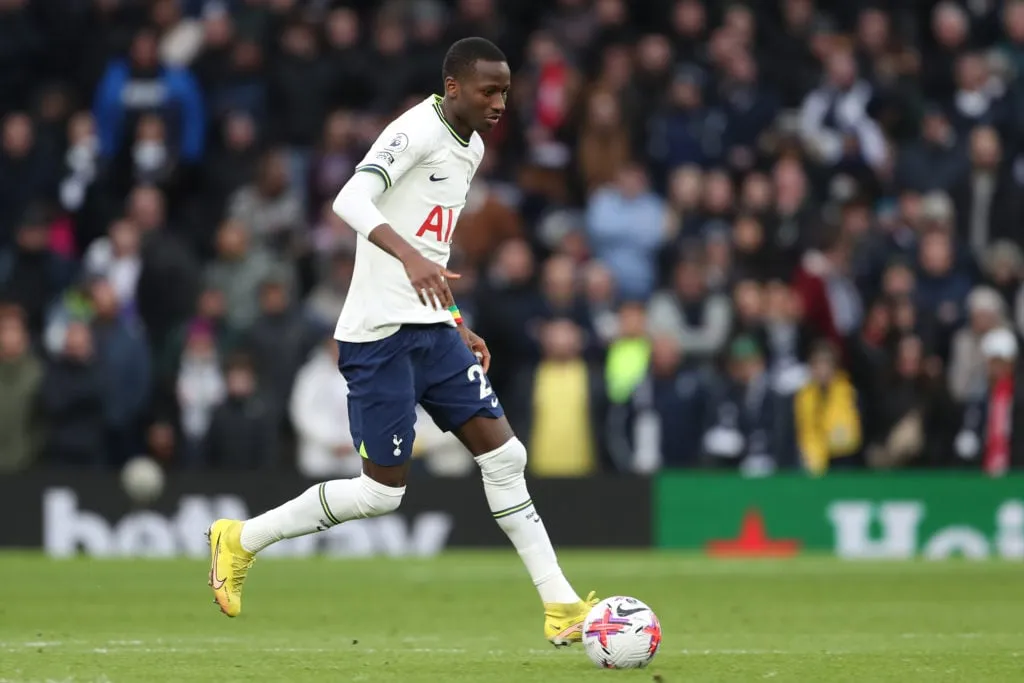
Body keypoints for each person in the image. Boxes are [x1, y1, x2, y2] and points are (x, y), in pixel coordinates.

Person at [206, 37, 596, 646]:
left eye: (506, 92)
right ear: (453, 88)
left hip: (432, 328)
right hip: (379, 336)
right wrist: (410, 257)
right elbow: (349, 198)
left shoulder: (473, 148)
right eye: (489, 90)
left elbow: (433, 249)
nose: (499, 103)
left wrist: (457, 319)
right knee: (380, 493)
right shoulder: (414, 130)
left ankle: (560, 604)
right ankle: (241, 538)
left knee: (505, 457)